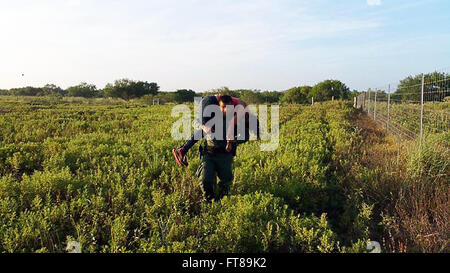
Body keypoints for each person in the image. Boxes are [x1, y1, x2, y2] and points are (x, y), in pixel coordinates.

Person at [171, 94, 254, 167]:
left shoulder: (239, 112)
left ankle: (183, 150)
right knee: (205, 127)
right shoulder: (241, 111)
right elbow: (231, 127)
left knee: (212, 127)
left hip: (217, 104)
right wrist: (229, 141)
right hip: (211, 101)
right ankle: (182, 150)